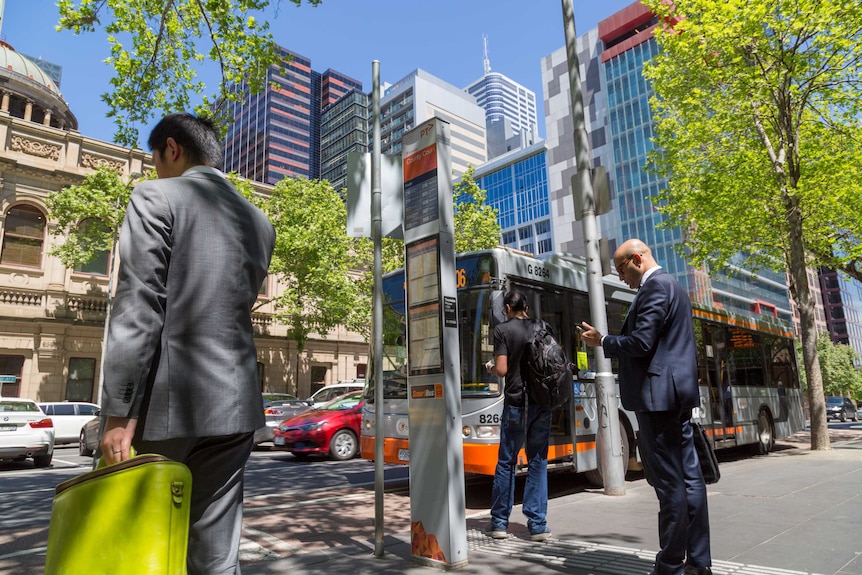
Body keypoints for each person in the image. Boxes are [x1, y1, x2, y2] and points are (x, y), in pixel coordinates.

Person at [99, 113, 275, 575]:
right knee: (216, 558)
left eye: (154, 159)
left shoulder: (156, 195)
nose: (154, 170)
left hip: (167, 406)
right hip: (237, 404)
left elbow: (139, 304)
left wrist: (119, 413)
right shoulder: (260, 221)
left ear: (172, 150)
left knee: (142, 550)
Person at [580, 239, 712, 575]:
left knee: (670, 485)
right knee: (690, 480)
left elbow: (641, 343)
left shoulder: (655, 288)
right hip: (675, 396)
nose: (621, 277)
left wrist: (603, 341)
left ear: (637, 259)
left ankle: (670, 565)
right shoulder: (675, 287)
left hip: (658, 401)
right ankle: (698, 562)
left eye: (621, 269)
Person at [484, 290, 553, 542]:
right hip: (542, 402)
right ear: (525, 306)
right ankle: (537, 525)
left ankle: (500, 523)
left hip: (516, 402)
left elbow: (501, 370)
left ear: (507, 307)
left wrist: (492, 367)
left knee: (506, 462)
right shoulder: (541, 326)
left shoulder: (503, 330)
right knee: (538, 461)